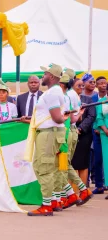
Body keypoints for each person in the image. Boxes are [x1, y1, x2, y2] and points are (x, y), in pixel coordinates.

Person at [27, 63, 69, 217]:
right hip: (48, 132)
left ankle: (47, 205)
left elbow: (57, 118)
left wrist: (63, 117)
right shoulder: (55, 92)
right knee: (42, 166)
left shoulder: (51, 93)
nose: (42, 76)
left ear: (51, 76)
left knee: (44, 168)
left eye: (44, 74)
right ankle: (51, 201)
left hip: (48, 133)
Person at [56, 73, 92, 210]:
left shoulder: (67, 95)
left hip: (65, 131)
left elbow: (68, 118)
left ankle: (63, 196)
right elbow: (74, 118)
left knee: (61, 165)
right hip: (69, 130)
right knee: (65, 164)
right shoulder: (71, 95)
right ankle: (81, 190)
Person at [71, 78, 96, 187]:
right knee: (71, 163)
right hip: (70, 133)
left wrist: (80, 129)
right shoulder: (67, 99)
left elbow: (91, 116)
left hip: (84, 135)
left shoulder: (88, 99)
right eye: (78, 85)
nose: (81, 88)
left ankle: (83, 190)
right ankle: (73, 191)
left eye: (82, 85)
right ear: (71, 87)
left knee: (83, 163)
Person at [91, 76, 108, 196]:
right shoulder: (101, 101)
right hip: (102, 133)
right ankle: (101, 185)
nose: (103, 85)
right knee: (101, 160)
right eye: (100, 83)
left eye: (104, 83)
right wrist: (104, 129)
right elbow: (98, 116)